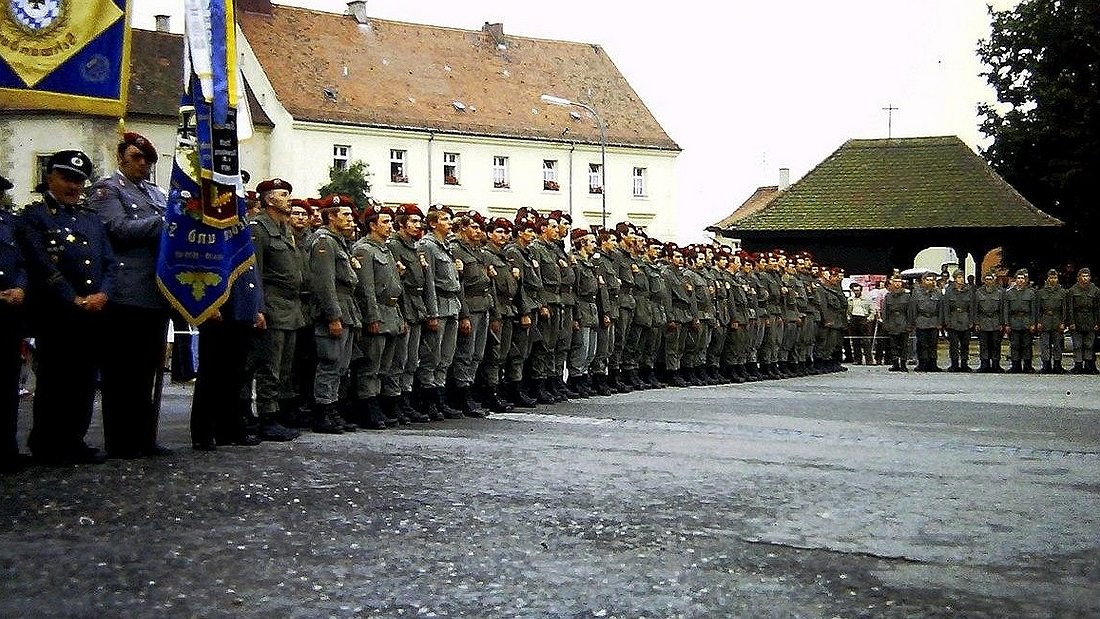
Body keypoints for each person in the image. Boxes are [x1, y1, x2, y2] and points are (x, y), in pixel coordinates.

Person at [19, 150, 114, 465]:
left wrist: (103, 294)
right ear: (50, 178)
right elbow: (40, 263)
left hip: (93, 311)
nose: (73, 186)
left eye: (79, 180)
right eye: (67, 178)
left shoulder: (90, 219)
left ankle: (74, 438)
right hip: (57, 312)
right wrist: (71, 297)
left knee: (84, 380)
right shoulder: (35, 217)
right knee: (55, 380)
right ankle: (48, 442)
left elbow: (110, 264)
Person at [89, 132, 172, 459]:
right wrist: (165, 222)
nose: (143, 164)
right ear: (121, 158)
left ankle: (144, 436)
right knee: (122, 371)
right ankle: (121, 440)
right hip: (124, 291)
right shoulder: (108, 190)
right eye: (136, 158)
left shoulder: (155, 192)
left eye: (148, 160)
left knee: (147, 369)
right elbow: (117, 228)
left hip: (155, 291)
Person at [247, 178, 304, 441]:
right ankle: (266, 416)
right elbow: (254, 271)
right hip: (272, 304)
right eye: (283, 194)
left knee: (284, 367)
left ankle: (276, 413)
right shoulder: (259, 229)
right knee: (269, 366)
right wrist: (257, 308)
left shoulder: (283, 229)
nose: (288, 198)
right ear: (269, 199)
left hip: (290, 308)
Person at [350, 204, 406, 428]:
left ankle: (379, 404)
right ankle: (366, 406)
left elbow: (395, 287)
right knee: (370, 365)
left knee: (386, 364)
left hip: (391, 312)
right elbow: (367, 289)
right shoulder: (364, 249)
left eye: (391, 222)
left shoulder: (385, 249)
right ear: (372, 225)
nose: (389, 226)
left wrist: (400, 317)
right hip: (378, 313)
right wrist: (371, 317)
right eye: (385, 222)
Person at [309, 195, 362, 433]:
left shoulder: (340, 242)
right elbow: (324, 283)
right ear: (331, 216)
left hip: (347, 308)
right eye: (346, 215)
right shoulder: (324, 241)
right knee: (329, 362)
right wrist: (333, 316)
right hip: (334, 309)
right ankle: (323, 411)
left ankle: (333, 409)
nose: (351, 220)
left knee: (341, 365)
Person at [417, 205, 463, 419]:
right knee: (432, 357)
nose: (450, 222)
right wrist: (432, 313)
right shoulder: (427, 245)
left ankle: (440, 398)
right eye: (445, 219)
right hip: (439, 305)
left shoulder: (445, 246)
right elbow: (429, 283)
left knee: (445, 357)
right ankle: (428, 400)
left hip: (452, 305)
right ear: (433, 223)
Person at [386, 204, 432, 422]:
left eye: (418, 222)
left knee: (411, 359)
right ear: (401, 223)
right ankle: (394, 401)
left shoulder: (414, 246)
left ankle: (406, 400)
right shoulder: (394, 245)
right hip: (403, 304)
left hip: (416, 306)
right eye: (412, 221)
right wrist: (401, 314)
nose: (417, 225)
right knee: (399, 359)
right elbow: (397, 283)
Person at [448, 210, 491, 417]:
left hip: (483, 306)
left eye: (479, 227)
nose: (478, 231)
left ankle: (469, 390)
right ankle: (461, 393)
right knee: (465, 353)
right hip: (469, 306)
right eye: (473, 227)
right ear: (463, 227)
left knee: (477, 354)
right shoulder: (456, 249)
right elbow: (460, 286)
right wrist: (464, 314)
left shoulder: (478, 251)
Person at [0, 174, 30, 473]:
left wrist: (20, 286)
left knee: (8, 383)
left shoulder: (9, 223)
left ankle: (6, 447)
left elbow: (22, 262)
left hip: (9, 312)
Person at [1066, 267, 1100, 374]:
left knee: (1089, 344)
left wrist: (1097, 322)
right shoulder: (1072, 290)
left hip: (1090, 320)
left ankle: (1089, 365)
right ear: (1078, 277)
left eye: (1087, 276)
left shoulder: (1095, 290)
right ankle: (1078, 365)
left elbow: (1097, 308)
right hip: (1077, 319)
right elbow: (1070, 308)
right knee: (1077, 344)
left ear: (1090, 278)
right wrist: (1071, 322)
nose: (1085, 278)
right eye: (1083, 276)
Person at [1003, 268, 1037, 373]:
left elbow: (1034, 310)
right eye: (1018, 278)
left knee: (1027, 345)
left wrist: (1033, 323)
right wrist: (1006, 324)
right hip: (1014, 322)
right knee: (1015, 345)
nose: (1021, 280)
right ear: (1015, 280)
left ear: (1026, 280)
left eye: (1023, 278)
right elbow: (1006, 310)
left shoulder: (1031, 293)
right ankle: (1015, 365)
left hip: (1027, 322)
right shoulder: (1009, 293)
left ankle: (1027, 366)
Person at [1035, 269, 1067, 374]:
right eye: (1051, 277)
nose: (1053, 280)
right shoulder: (1041, 292)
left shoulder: (1062, 292)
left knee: (1058, 344)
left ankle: (1057, 365)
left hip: (1057, 320)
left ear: (1057, 279)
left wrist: (1063, 322)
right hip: (1045, 320)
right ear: (1047, 279)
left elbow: (1064, 309)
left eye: (1055, 278)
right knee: (1045, 345)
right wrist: (1038, 322)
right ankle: (1046, 365)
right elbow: (1038, 309)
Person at [911, 272, 945, 371]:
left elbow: (941, 308)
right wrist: (913, 322)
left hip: (934, 321)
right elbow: (913, 308)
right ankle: (922, 364)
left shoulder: (938, 292)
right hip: (921, 320)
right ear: (923, 280)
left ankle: (933, 364)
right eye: (927, 280)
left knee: (933, 344)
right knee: (922, 344)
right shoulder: (917, 292)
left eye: (931, 280)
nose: (929, 282)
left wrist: (940, 322)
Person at [943, 270, 976, 372]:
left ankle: (964, 364)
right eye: (958, 277)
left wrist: (972, 321)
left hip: (965, 320)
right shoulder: (949, 291)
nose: (961, 279)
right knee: (953, 344)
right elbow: (946, 307)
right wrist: (947, 321)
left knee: (965, 344)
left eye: (962, 277)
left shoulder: (969, 291)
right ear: (954, 278)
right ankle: (954, 364)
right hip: (953, 320)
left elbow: (972, 307)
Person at [881, 274, 914, 371]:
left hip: (903, 323)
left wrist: (909, 325)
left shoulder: (907, 296)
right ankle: (895, 363)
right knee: (893, 345)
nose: (897, 284)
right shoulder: (888, 296)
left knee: (904, 345)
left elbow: (910, 312)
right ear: (891, 283)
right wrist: (885, 324)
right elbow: (885, 311)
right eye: (895, 282)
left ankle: (903, 364)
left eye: (899, 282)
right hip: (892, 323)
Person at [974, 272, 1006, 372]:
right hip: (983, 321)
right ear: (984, 280)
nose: (988, 281)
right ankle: (984, 364)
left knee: (996, 344)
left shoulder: (1000, 292)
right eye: (986, 279)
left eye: (990, 279)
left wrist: (1002, 323)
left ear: (993, 280)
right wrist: (976, 322)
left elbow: (1002, 309)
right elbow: (975, 309)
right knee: (984, 344)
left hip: (996, 322)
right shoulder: (978, 292)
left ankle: (996, 364)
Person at [846, 283, 873, 364]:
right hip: (854, 319)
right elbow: (848, 310)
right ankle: (857, 359)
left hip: (863, 318)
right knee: (855, 341)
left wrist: (869, 319)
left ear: (861, 290)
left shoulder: (867, 299)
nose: (856, 292)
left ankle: (869, 360)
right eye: (854, 290)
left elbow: (872, 310)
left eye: (858, 290)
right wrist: (849, 318)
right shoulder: (850, 299)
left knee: (866, 341)